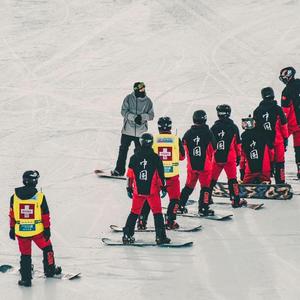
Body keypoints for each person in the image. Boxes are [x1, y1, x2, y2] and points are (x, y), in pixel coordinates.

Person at [9, 171, 61, 287]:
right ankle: (50, 270)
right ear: (35, 182)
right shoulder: (40, 197)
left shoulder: (14, 197)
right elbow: (45, 215)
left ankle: (26, 279)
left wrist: (12, 228)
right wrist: (47, 229)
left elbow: (12, 214)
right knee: (47, 248)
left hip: (21, 232)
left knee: (25, 255)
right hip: (38, 232)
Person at [137, 116, 185, 230]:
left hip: (156, 176)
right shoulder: (175, 139)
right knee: (175, 199)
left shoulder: (154, 140)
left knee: (149, 198)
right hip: (172, 176)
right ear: (170, 127)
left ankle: (142, 221)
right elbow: (182, 157)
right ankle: (170, 220)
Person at [123, 133, 171, 245]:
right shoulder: (155, 158)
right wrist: (163, 187)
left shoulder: (134, 158)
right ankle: (160, 237)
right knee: (157, 213)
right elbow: (161, 175)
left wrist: (129, 188)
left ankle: (127, 235)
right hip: (152, 192)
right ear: (151, 143)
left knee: (134, 212)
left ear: (140, 142)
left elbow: (130, 175)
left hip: (138, 191)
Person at [111, 82, 154, 176]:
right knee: (123, 150)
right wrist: (133, 117)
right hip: (127, 130)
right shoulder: (128, 98)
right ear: (136, 90)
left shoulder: (148, 101)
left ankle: (138, 172)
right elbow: (123, 111)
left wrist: (142, 117)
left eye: (143, 89)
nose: (143, 90)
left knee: (140, 153)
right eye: (141, 89)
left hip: (140, 133)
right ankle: (119, 170)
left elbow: (151, 115)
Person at [179, 110, 216, 216]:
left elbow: (183, 146)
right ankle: (203, 208)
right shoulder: (208, 133)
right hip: (205, 166)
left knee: (189, 186)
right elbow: (214, 148)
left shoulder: (188, 133)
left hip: (192, 166)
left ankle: (180, 205)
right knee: (205, 187)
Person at [210, 104, 246, 208]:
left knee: (212, 179)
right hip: (229, 158)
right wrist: (239, 157)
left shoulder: (213, 127)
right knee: (232, 179)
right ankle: (235, 200)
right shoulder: (233, 127)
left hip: (217, 158)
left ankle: (205, 199)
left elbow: (210, 145)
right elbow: (238, 144)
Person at [253, 87, 288, 183]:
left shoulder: (257, 110)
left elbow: (255, 128)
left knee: (266, 163)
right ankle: (281, 181)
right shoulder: (278, 109)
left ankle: (265, 180)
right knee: (280, 162)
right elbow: (284, 125)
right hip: (278, 140)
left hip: (264, 142)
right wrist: (285, 138)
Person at [279, 67, 300, 179]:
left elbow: (284, 112)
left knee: (278, 143)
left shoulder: (286, 91)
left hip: (291, 125)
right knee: (299, 148)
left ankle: (276, 169)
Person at [240, 117, 274, 183]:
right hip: (265, 168)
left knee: (246, 182)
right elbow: (271, 152)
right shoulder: (264, 135)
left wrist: (242, 171)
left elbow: (242, 157)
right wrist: (272, 166)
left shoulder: (244, 138)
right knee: (265, 181)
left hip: (250, 169)